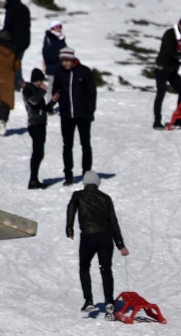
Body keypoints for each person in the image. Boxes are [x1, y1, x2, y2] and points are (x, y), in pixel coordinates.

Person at [65, 170, 129, 313]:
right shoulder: (106, 198)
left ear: (85, 182)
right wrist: (121, 245)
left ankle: (88, 300)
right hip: (105, 237)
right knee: (106, 269)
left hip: (88, 237)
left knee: (84, 267)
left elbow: (71, 208)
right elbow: (114, 222)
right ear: (97, 183)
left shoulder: (78, 196)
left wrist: (69, 229)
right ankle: (109, 302)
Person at [51, 47, 97, 186]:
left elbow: (92, 93)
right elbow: (55, 90)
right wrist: (57, 97)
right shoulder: (59, 72)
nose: (64, 63)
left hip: (83, 115)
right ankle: (68, 176)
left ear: (72, 60)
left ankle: (86, 174)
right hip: (66, 115)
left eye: (66, 60)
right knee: (67, 146)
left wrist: (90, 112)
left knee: (85, 145)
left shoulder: (84, 71)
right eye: (62, 61)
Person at [153, 15, 181, 129]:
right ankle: (157, 121)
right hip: (162, 68)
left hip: (173, 70)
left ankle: (179, 119)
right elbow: (170, 52)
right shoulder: (170, 34)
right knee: (161, 93)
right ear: (179, 25)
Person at [21, 68, 55, 187]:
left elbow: (41, 107)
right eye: (41, 80)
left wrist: (51, 103)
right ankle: (33, 180)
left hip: (40, 123)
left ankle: (34, 178)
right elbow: (34, 101)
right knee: (37, 153)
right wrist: (43, 91)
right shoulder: (28, 89)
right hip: (34, 124)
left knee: (39, 153)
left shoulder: (35, 89)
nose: (42, 83)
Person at [0, 0, 31, 90]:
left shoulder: (11, 9)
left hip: (14, 42)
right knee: (17, 61)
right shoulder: (24, 8)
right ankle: (17, 82)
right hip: (25, 41)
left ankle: (17, 82)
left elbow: (7, 25)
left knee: (13, 62)